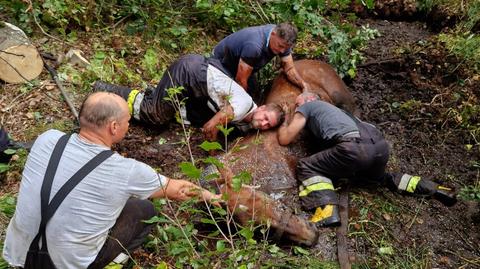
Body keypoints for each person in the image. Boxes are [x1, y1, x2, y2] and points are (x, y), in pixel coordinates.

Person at [3, 92, 221, 268]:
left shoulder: (47, 139)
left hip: (21, 254)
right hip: (68, 264)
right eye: (127, 121)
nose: (129, 125)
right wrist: (213, 197)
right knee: (145, 209)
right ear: (114, 127)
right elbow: (179, 190)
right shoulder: (126, 171)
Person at [277, 92, 457, 227]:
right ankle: (435, 188)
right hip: (379, 147)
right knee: (380, 179)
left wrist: (286, 119)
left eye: (298, 102)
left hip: (353, 148)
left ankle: (326, 209)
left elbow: (285, 139)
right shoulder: (341, 112)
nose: (296, 106)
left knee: (307, 166)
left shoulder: (309, 106)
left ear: (309, 99)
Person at [93, 54, 285, 141]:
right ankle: (103, 89)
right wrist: (213, 151)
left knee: (180, 113)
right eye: (266, 118)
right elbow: (210, 128)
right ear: (261, 108)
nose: (263, 124)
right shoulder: (242, 107)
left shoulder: (246, 117)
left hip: (196, 83)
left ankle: (155, 95)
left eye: (268, 125)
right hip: (189, 73)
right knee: (154, 114)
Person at [212, 23, 310, 97]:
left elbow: (289, 69)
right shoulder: (254, 45)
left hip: (246, 65)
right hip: (221, 64)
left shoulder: (283, 41)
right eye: (280, 46)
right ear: (273, 34)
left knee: (255, 92)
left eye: (286, 48)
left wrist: (303, 85)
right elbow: (240, 80)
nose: (282, 51)